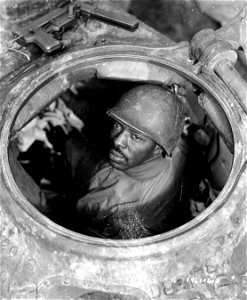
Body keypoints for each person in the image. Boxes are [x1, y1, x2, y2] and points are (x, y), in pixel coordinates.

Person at [74, 84, 190, 239]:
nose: (118, 141)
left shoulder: (112, 205)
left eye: (136, 137)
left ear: (157, 149)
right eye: (117, 125)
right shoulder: (176, 148)